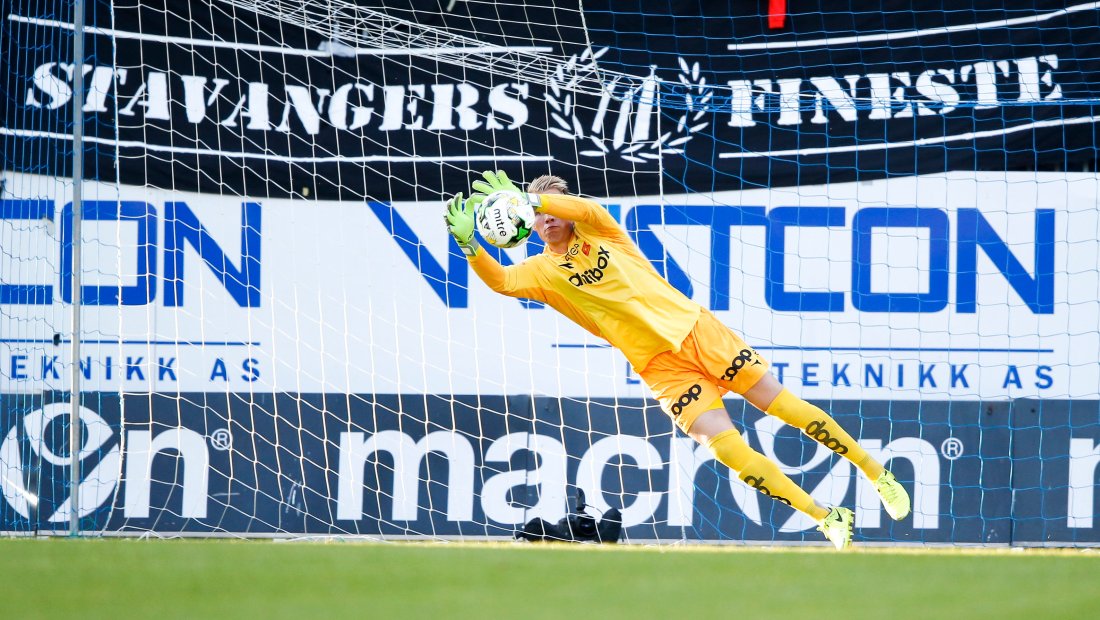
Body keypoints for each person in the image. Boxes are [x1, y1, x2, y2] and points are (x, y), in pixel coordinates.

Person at [444, 170, 911, 549]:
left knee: (780, 405)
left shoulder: (601, 230)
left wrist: (535, 201)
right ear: (528, 229)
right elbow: (502, 282)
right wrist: (469, 245)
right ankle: (826, 516)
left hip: (695, 331)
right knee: (726, 449)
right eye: (534, 212)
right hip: (659, 366)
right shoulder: (542, 271)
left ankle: (877, 473)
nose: (545, 219)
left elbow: (585, 208)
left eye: (549, 209)